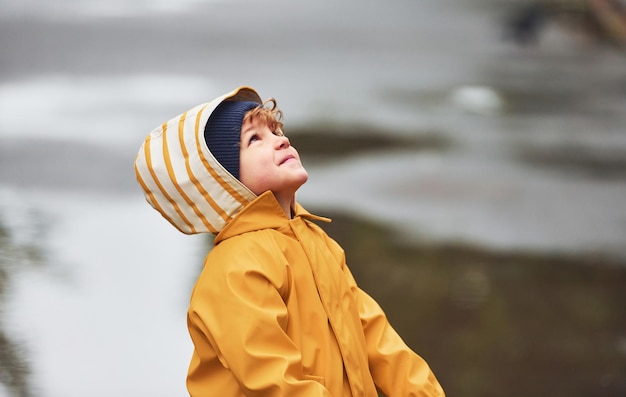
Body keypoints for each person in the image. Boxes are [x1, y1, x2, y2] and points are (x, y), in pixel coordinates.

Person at [134, 86, 445, 396]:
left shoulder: (316, 242)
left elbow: (377, 339)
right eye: (254, 139)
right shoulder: (235, 269)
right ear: (223, 181)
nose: (280, 139)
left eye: (275, 129)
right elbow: (274, 382)